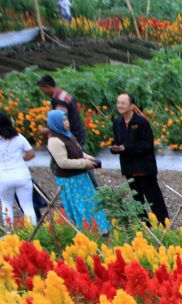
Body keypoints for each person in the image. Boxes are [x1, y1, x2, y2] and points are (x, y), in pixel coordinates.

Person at [45, 110, 110, 235]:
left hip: (80, 177)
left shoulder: (67, 135)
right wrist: (83, 163)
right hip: (70, 180)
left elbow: (77, 150)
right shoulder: (54, 141)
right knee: (80, 206)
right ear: (56, 123)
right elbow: (63, 162)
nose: (67, 122)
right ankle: (88, 231)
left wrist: (87, 157)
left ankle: (101, 228)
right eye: (63, 120)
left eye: (66, 119)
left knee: (91, 201)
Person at [111, 93, 169, 225]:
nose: (119, 105)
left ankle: (163, 224)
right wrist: (114, 148)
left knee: (154, 198)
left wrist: (126, 148)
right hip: (129, 168)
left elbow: (147, 145)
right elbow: (117, 141)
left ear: (132, 106)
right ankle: (145, 225)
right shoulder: (117, 123)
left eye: (123, 103)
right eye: (118, 102)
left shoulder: (141, 122)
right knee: (137, 199)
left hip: (144, 167)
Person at [0, 112, 37, 228]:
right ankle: (32, 233)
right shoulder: (18, 137)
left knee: (6, 205)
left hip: (3, 177)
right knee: (28, 206)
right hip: (22, 175)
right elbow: (31, 154)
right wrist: (21, 159)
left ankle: (9, 234)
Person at [36, 75, 86, 147]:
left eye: (42, 89)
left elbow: (61, 124)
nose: (42, 92)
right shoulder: (62, 94)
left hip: (71, 138)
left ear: (47, 86)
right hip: (76, 135)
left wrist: (46, 131)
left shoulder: (60, 100)